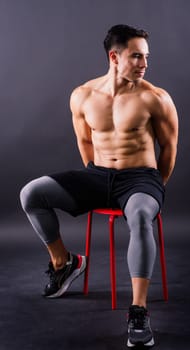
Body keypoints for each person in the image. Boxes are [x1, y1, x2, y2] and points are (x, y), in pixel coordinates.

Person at [20, 24, 178, 347]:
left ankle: (138, 312)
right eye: (137, 57)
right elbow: (84, 142)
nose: (145, 64)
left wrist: (153, 188)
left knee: (138, 217)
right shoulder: (83, 96)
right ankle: (64, 264)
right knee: (32, 194)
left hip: (140, 179)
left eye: (146, 57)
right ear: (114, 57)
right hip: (98, 175)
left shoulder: (156, 98)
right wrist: (96, 178)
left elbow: (170, 150)